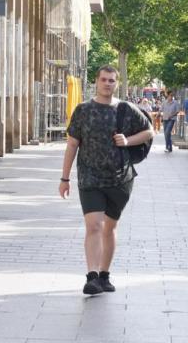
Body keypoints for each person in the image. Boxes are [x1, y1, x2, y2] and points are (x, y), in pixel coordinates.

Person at [60, 65, 154, 295]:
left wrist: (127, 140)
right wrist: (64, 178)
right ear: (97, 81)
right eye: (104, 79)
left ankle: (104, 275)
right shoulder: (83, 110)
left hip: (120, 179)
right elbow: (72, 144)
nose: (107, 84)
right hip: (89, 177)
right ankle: (91, 277)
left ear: (116, 83)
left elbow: (149, 131)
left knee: (109, 228)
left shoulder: (126, 109)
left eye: (112, 80)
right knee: (94, 226)